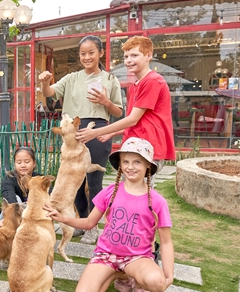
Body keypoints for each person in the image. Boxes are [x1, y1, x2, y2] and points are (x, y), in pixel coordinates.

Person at [43, 137, 174, 292]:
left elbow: (166, 243)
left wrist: (169, 275)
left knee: (157, 282)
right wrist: (63, 218)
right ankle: (120, 274)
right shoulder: (111, 191)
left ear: (147, 166)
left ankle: (137, 281)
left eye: (137, 162)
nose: (130, 167)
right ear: (120, 164)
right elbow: (89, 222)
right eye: (126, 161)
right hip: (106, 256)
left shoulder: (158, 201)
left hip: (137, 258)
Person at [39, 35, 123, 244]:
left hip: (98, 130)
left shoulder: (110, 80)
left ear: (100, 53)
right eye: (83, 54)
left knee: (94, 182)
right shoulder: (71, 78)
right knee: (74, 179)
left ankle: (92, 226)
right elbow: (50, 92)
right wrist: (44, 83)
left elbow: (119, 112)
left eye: (91, 53)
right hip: (73, 134)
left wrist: (105, 101)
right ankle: (79, 221)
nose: (87, 57)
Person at [75, 36, 176, 183]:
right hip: (135, 144)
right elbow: (139, 121)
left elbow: (132, 119)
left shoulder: (152, 81)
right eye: (126, 56)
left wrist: (95, 132)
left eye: (134, 55)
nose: (129, 60)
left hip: (147, 147)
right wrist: (112, 133)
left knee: (139, 194)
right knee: (130, 192)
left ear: (149, 56)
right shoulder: (136, 84)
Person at [0, 146, 39, 218]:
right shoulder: (9, 179)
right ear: (14, 163)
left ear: (34, 163)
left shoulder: (39, 179)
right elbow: (11, 202)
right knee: (16, 200)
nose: (23, 165)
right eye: (19, 162)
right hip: (13, 216)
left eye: (27, 162)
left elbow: (49, 196)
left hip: (35, 213)